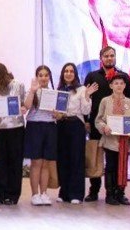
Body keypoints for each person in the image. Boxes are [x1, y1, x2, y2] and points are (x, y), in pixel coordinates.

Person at [82, 46, 130, 201]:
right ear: (101, 58)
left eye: (112, 55)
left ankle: (118, 192)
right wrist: (86, 120)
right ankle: (94, 191)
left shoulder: (123, 76)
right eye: (106, 56)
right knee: (96, 158)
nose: (109, 58)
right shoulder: (92, 76)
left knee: (116, 160)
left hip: (119, 128)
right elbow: (85, 98)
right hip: (97, 123)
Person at [0, 62, 26, 205]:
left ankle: (12, 195)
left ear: (3, 76)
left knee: (15, 162)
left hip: (16, 127)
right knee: (0, 163)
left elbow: (24, 104)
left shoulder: (18, 85)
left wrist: (23, 108)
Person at [55, 62, 96, 204]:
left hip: (76, 126)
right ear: (62, 74)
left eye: (71, 71)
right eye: (66, 71)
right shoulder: (58, 90)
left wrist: (87, 96)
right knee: (63, 159)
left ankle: (76, 194)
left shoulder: (82, 89)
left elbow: (85, 111)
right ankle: (64, 192)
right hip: (61, 126)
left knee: (76, 159)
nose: (68, 73)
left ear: (75, 74)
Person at [95, 74, 130, 205]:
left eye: (121, 83)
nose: (119, 86)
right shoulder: (105, 101)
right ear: (111, 86)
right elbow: (98, 120)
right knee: (111, 167)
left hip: (125, 142)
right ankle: (110, 194)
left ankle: (120, 193)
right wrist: (104, 127)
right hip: (110, 141)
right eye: (116, 83)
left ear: (125, 86)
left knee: (123, 167)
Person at [24, 65, 60, 206]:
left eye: (46, 75)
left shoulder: (54, 93)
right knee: (36, 162)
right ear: (37, 77)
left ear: (49, 77)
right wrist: (33, 91)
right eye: (40, 75)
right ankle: (35, 194)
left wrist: (57, 114)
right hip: (35, 127)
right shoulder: (32, 91)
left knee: (46, 162)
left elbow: (59, 114)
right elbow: (26, 106)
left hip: (50, 127)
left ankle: (44, 193)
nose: (43, 78)